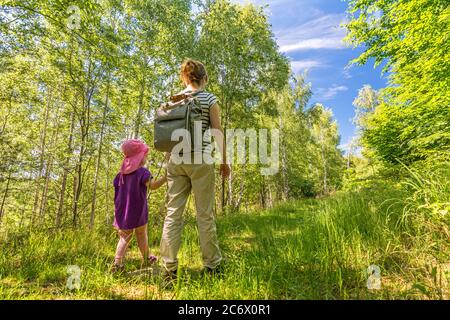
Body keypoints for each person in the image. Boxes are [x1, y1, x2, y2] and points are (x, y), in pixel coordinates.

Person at [160, 59, 231, 279]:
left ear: (184, 78)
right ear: (204, 79)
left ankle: (168, 268)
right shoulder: (209, 99)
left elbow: (167, 134)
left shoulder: (174, 100)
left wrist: (167, 163)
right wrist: (224, 161)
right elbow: (217, 132)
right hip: (200, 159)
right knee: (204, 214)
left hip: (175, 160)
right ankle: (212, 265)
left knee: (173, 214)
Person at [111, 139, 167, 273]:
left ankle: (117, 263)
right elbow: (152, 186)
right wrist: (166, 178)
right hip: (137, 210)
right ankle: (146, 259)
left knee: (124, 236)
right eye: (144, 155)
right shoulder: (143, 172)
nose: (146, 158)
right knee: (141, 234)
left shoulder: (120, 175)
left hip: (122, 210)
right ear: (139, 157)